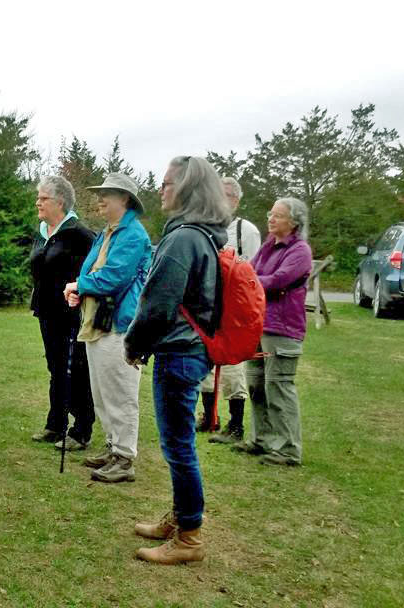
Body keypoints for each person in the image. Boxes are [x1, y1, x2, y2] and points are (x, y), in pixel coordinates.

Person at [124, 156, 231, 565]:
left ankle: (189, 537)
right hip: (190, 350)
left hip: (179, 352)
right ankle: (181, 518)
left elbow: (157, 304)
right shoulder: (205, 235)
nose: (161, 189)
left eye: (167, 183)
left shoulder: (184, 238)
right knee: (178, 444)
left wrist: (134, 344)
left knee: (178, 447)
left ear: (186, 190)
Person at [63, 173, 152, 482]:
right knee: (102, 392)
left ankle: (125, 458)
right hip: (99, 319)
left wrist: (79, 284)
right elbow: (91, 270)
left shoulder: (133, 235)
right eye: (100, 193)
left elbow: (115, 278)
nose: (100, 199)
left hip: (120, 323)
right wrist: (81, 291)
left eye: (108, 194)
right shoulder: (108, 233)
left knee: (121, 391)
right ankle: (114, 447)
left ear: (124, 200)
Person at [232, 197, 313, 466]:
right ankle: (262, 439)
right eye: (271, 213)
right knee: (256, 386)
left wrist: (250, 282)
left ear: (293, 223)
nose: (271, 219)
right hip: (259, 325)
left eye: (278, 215)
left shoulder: (300, 251)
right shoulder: (268, 247)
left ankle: (288, 448)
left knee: (278, 387)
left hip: (283, 329)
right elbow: (249, 271)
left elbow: (278, 280)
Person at [28, 175, 95, 448]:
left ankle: (81, 428)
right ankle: (55, 424)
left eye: (43, 198)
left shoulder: (80, 235)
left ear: (60, 202)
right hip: (46, 312)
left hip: (70, 315)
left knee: (75, 369)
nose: (38, 203)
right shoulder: (42, 232)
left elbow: (92, 272)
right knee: (55, 367)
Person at [199, 176, 261, 440]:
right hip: (207, 308)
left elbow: (251, 273)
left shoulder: (245, 231)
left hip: (233, 310)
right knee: (205, 364)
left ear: (235, 200)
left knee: (233, 367)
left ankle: (236, 424)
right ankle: (209, 417)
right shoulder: (204, 226)